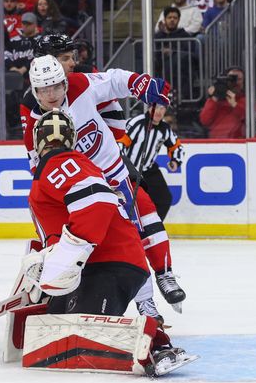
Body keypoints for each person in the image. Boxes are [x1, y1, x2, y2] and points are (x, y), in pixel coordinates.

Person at [23, 108, 189, 374]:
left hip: (113, 263)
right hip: (98, 266)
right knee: (56, 329)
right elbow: (59, 233)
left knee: (83, 338)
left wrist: (70, 253)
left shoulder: (61, 163)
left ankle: (156, 344)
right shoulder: (56, 169)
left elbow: (97, 201)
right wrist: (49, 262)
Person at [25, 54, 187, 324]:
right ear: (35, 91)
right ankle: (140, 302)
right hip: (86, 189)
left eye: (55, 86)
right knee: (119, 241)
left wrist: (139, 83)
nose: (51, 94)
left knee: (143, 223)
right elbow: (40, 168)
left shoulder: (79, 86)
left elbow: (113, 81)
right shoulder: (33, 124)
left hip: (115, 173)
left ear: (64, 83)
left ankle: (159, 283)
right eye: (43, 89)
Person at [119, 104, 183, 221]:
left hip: (149, 170)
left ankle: (153, 228)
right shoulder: (136, 123)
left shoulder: (164, 128)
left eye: (162, 108)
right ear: (149, 108)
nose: (159, 111)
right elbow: (120, 142)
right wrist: (123, 164)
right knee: (130, 202)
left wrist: (175, 160)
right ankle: (132, 229)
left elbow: (176, 146)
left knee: (164, 199)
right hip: (130, 172)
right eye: (156, 107)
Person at [200, 66, 247, 138]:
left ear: (244, 82)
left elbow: (250, 120)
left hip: (239, 143)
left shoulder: (248, 100)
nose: (236, 82)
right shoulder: (216, 100)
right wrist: (214, 98)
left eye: (239, 79)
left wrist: (235, 105)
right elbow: (205, 120)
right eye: (231, 79)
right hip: (216, 142)